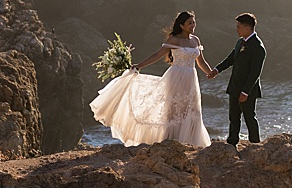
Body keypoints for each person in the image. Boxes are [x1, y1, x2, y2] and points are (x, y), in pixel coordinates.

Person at [90, 11, 216, 148]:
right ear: (181, 25)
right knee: (173, 110)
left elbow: (201, 61)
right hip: (176, 77)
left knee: (192, 109)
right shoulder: (174, 40)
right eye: (189, 23)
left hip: (191, 77)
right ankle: (171, 139)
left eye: (194, 22)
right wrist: (139, 65)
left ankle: (191, 141)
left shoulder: (195, 40)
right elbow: (157, 55)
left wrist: (210, 72)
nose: (193, 25)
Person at [211, 13, 265, 146]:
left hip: (248, 90)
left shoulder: (258, 47)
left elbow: (255, 73)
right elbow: (231, 59)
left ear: (247, 28)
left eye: (239, 27)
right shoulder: (240, 42)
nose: (237, 29)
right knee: (233, 118)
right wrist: (217, 70)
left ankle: (255, 144)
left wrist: (245, 92)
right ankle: (232, 142)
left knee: (249, 117)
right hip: (234, 86)